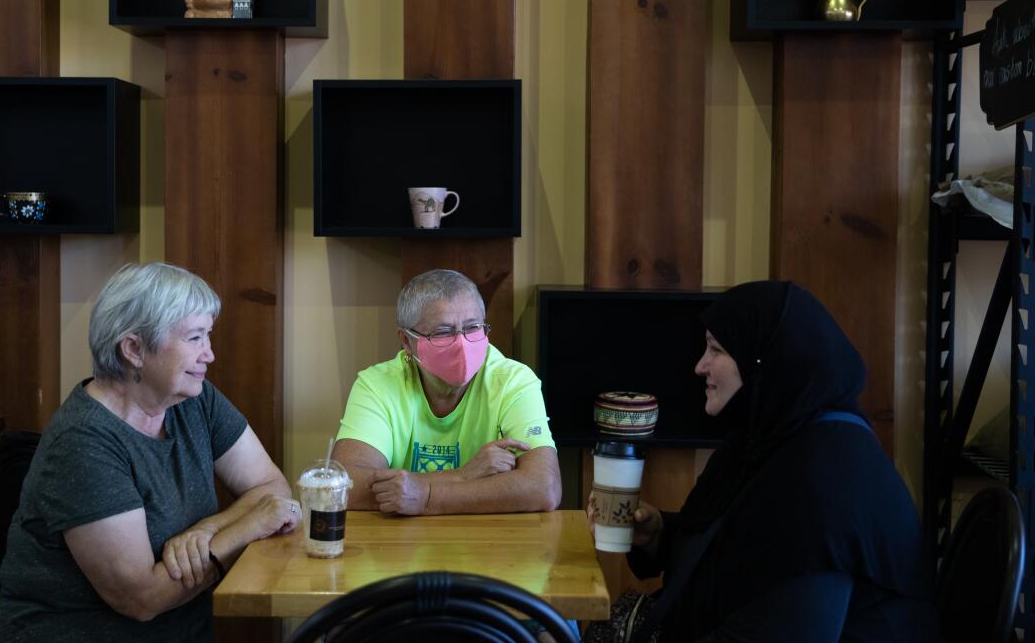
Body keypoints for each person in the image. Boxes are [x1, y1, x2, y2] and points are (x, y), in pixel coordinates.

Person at [588, 281, 938, 642]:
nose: (700, 366)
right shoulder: (772, 438)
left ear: (763, 361)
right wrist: (658, 534)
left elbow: (787, 631)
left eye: (717, 350)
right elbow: (739, 551)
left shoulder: (826, 481)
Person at [0, 262, 300, 641]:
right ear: (134, 348)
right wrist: (248, 527)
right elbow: (142, 599)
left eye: (209, 336)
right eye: (194, 338)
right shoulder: (83, 443)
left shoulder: (193, 399)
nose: (210, 355)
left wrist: (207, 529)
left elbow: (272, 487)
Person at [332, 268, 562, 515]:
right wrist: (462, 476)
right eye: (442, 332)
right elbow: (343, 486)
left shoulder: (513, 381)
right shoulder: (377, 384)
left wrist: (427, 497)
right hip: (400, 545)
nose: (462, 344)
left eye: (473, 328)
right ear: (407, 342)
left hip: (490, 543)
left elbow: (544, 487)